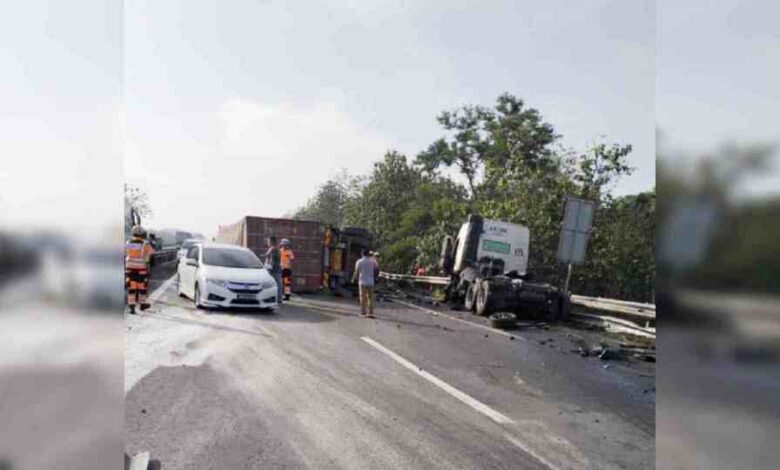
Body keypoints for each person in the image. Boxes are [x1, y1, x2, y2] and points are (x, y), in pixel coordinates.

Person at [125, 225, 155, 314]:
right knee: (142, 287)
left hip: (129, 269)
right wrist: (148, 266)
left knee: (131, 288)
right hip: (141, 269)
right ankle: (142, 304)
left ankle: (132, 308)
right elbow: (150, 255)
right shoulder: (145, 244)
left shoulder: (127, 243)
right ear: (141, 233)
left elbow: (125, 254)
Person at [352, 249, 378, 317]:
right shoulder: (373, 261)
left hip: (362, 282)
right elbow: (376, 270)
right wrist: (375, 278)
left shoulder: (359, 261)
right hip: (371, 282)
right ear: (368, 254)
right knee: (370, 298)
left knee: (362, 297)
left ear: (362, 253)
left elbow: (356, 271)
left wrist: (353, 278)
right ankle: (371, 312)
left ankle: (363, 313)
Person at [265, 236, 283, 304]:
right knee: (278, 284)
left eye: (268, 241)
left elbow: (271, 260)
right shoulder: (276, 249)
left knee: (272, 284)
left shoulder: (272, 249)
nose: (267, 242)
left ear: (272, 242)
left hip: (273, 269)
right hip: (276, 269)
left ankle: (276, 298)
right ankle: (279, 298)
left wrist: (269, 267)